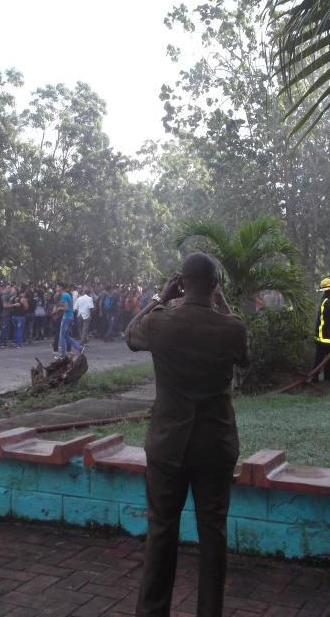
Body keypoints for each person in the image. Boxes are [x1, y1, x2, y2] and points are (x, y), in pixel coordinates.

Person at [124, 254, 250, 617]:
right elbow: (244, 358)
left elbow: (130, 335)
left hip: (168, 444)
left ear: (181, 283)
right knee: (213, 532)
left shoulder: (160, 322)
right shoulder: (231, 328)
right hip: (215, 445)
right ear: (214, 286)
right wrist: (222, 304)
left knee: (161, 530)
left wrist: (160, 298)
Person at [310, 276, 330, 384]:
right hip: (325, 336)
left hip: (327, 335)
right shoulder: (327, 302)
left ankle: (326, 377)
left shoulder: (328, 300)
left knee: (329, 358)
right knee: (321, 358)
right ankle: (315, 378)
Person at [54, 283, 83, 359]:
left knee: (61, 336)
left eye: (57, 286)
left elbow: (66, 308)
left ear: (61, 287)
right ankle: (79, 348)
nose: (56, 288)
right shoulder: (67, 295)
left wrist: (59, 308)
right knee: (66, 335)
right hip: (70, 316)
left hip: (66, 317)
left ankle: (62, 355)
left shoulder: (64, 296)